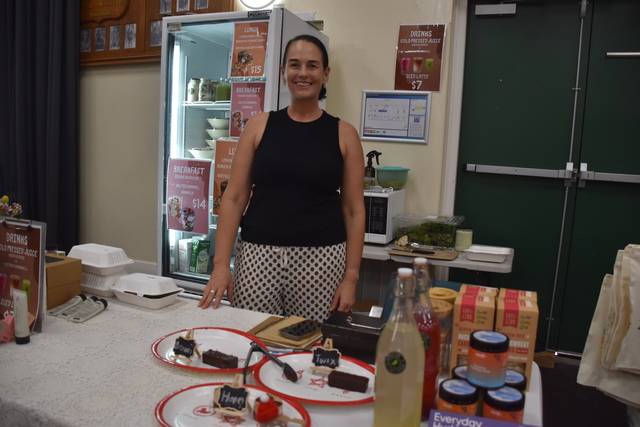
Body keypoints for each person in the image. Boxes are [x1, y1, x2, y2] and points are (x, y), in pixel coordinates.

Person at [198, 34, 365, 321]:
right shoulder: (259, 125)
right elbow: (234, 198)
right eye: (294, 65)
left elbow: (353, 210)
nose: (303, 73)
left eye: (312, 65)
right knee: (251, 336)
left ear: (325, 74)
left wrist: (351, 277)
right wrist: (221, 265)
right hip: (257, 255)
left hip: (322, 260)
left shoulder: (344, 133)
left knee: (311, 340)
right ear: (283, 72)